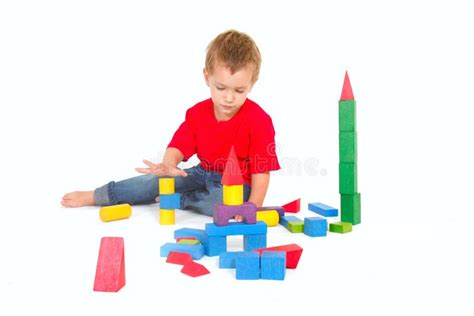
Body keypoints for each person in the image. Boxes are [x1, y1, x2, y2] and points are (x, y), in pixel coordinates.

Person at [61, 29, 280, 216]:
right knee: (153, 182)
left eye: (239, 90)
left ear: (252, 83)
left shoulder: (259, 120)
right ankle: (98, 195)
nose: (229, 97)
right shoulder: (197, 113)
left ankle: (183, 200)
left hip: (234, 184)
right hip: (201, 172)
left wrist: (253, 207)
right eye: (221, 88)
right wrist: (169, 163)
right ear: (207, 77)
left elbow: (261, 173)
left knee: (227, 202)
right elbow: (179, 145)